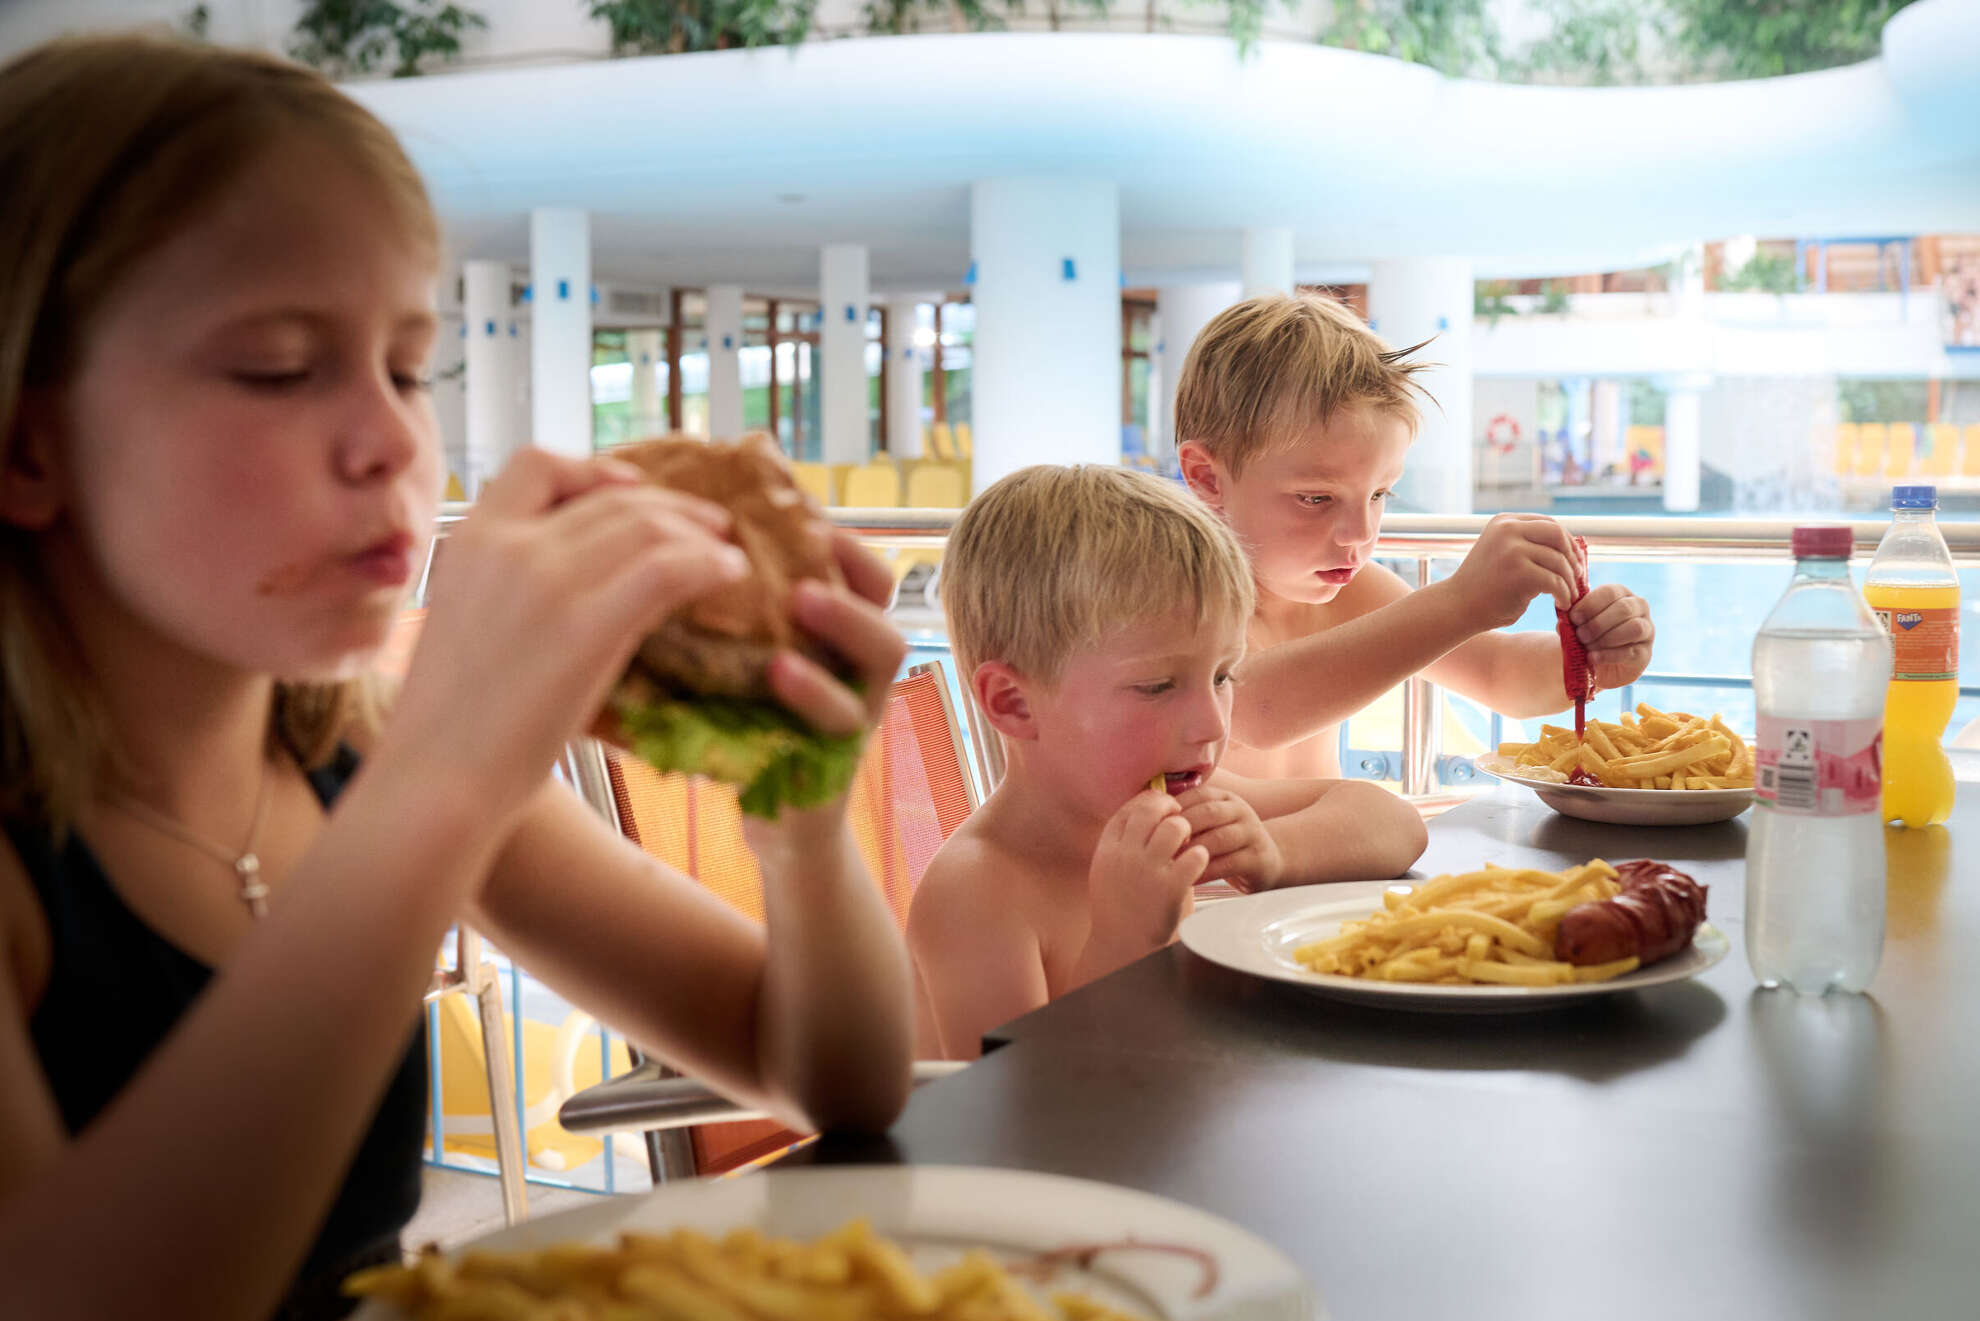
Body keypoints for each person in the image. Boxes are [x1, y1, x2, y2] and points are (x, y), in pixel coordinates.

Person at [0, 34, 913, 1321]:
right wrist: (445, 772)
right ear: (27, 448)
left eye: (409, 365)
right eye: (277, 366)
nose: (392, 440)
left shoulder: (347, 757)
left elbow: (829, 1075)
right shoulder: (391, 777)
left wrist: (805, 824)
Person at [909, 466, 1427, 1060]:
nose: (1213, 725)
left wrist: (1275, 852)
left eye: (1222, 675)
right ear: (1014, 703)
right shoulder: (978, 895)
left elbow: (1394, 823)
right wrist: (1123, 940)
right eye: (1158, 687)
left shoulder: (1169, 809)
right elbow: (1021, 1117)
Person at [1173, 294, 1657, 780]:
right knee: (1376, 815)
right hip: (1207, 853)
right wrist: (1461, 602)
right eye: (1316, 499)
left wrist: (1590, 657)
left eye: (1380, 494)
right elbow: (1253, 706)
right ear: (1208, 478)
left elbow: (1496, 672)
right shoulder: (1173, 597)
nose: (1359, 535)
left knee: (1379, 817)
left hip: (1311, 850)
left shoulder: (1356, 591)